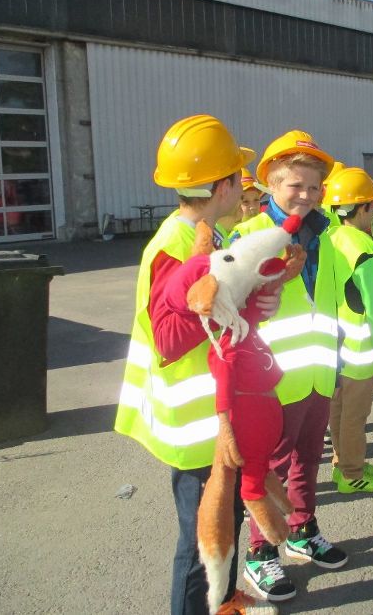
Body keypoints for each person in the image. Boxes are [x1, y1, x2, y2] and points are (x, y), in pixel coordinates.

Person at [113, 115, 275, 615]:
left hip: (215, 413)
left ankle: (224, 601)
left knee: (225, 520)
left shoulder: (203, 234)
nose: (242, 186)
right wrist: (236, 309)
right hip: (195, 422)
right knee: (201, 537)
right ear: (224, 186)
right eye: (238, 177)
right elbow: (169, 336)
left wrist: (247, 306)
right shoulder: (176, 247)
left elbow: (211, 310)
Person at [230, 130, 347, 603]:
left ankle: (302, 529)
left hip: (318, 370)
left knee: (307, 459)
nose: (305, 195)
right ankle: (260, 556)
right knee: (267, 470)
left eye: (314, 187)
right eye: (294, 185)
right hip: (269, 381)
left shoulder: (330, 235)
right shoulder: (249, 238)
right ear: (272, 185)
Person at [323, 167, 373, 494]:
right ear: (362, 208)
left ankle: (343, 463)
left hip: (332, 347)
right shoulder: (365, 252)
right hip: (358, 351)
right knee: (355, 416)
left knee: (338, 410)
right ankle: (352, 473)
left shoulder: (329, 239)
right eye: (372, 206)